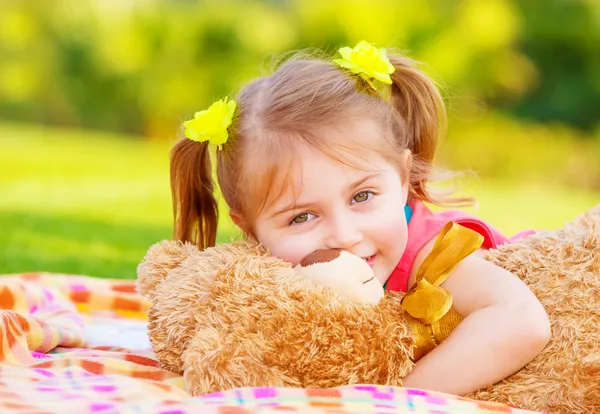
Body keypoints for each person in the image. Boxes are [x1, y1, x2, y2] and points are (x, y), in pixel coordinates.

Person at [169, 41, 551, 395]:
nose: (345, 235)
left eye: (362, 196)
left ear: (403, 180)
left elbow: (522, 321)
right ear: (250, 230)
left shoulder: (435, 255)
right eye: (301, 217)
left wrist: (389, 399)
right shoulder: (267, 283)